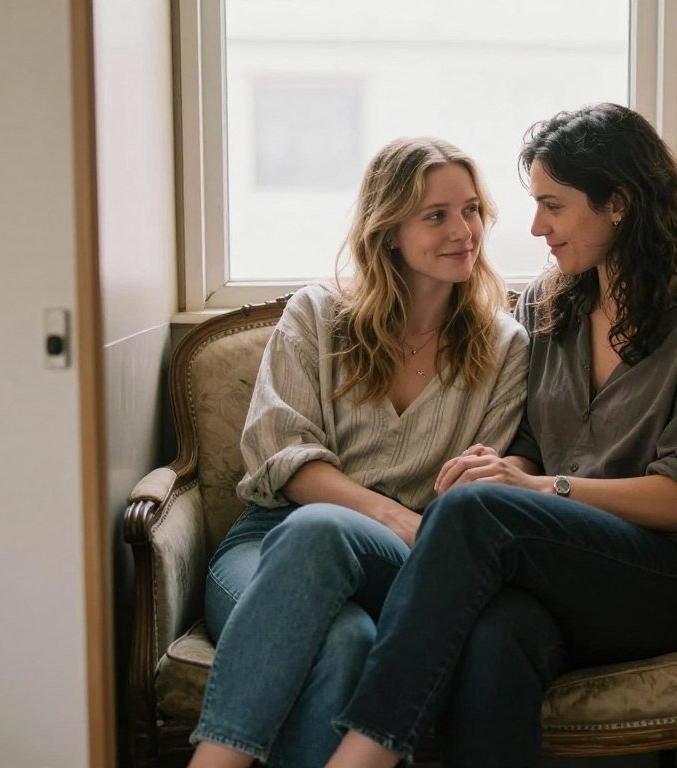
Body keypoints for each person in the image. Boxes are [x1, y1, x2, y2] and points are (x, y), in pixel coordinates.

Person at [325, 103, 677, 768]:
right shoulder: (550, 302)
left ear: (617, 203)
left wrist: (538, 487)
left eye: (554, 206)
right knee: (497, 636)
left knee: (474, 511)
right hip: (557, 573)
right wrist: (502, 464)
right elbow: (532, 436)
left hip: (665, 581)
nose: (536, 227)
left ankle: (363, 754)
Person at [187, 137, 529, 768]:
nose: (464, 231)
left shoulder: (504, 346)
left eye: (473, 209)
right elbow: (286, 455)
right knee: (346, 638)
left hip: (412, 561)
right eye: (436, 215)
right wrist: (389, 514)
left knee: (330, 543)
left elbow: (484, 476)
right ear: (388, 229)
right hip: (272, 546)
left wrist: (404, 526)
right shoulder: (317, 314)